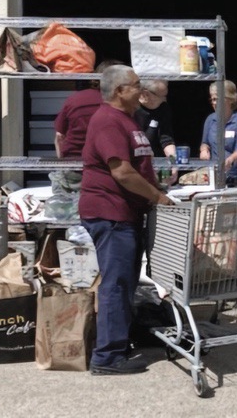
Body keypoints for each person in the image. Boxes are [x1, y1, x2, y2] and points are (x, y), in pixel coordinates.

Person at [79, 64, 175, 375]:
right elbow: (121, 172)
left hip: (126, 214)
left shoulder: (129, 119)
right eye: (135, 85)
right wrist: (156, 196)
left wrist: (157, 188)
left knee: (125, 283)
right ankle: (107, 358)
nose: (141, 90)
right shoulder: (108, 121)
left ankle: (118, 341)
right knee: (117, 285)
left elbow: (137, 166)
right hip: (111, 214)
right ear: (120, 91)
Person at [54, 59, 122, 159]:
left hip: (73, 160)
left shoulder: (74, 99)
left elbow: (60, 136)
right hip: (110, 163)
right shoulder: (123, 103)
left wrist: (63, 164)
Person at [198, 80, 237, 186]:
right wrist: (204, 150)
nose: (214, 102)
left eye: (217, 99)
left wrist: (231, 160)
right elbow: (204, 142)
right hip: (216, 176)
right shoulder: (210, 119)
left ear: (230, 99)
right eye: (212, 99)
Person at [135, 79, 177, 160]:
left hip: (156, 160)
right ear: (145, 94)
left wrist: (173, 161)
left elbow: (166, 139)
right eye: (162, 96)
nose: (165, 100)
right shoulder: (131, 109)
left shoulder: (164, 109)